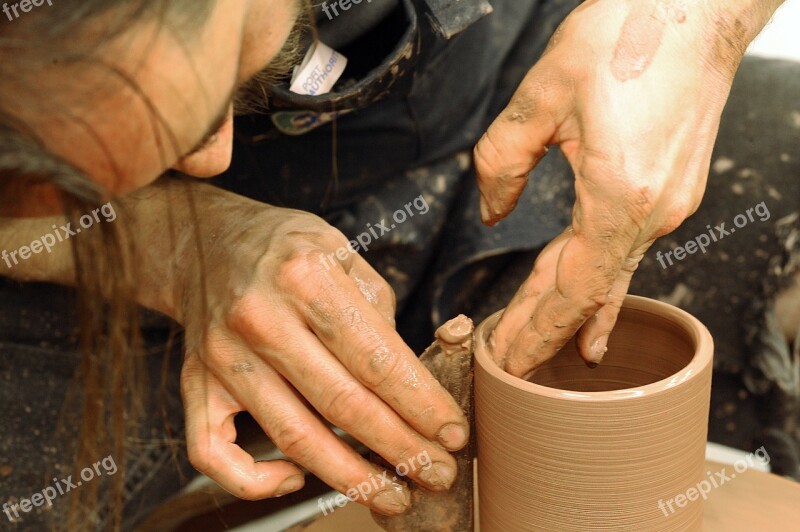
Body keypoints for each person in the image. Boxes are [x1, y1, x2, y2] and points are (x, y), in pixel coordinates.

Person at [0, 0, 796, 530]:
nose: (212, 153)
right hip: (93, 239)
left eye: (223, 78)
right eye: (180, 120)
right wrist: (175, 241)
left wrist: (687, 28)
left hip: (507, 109)